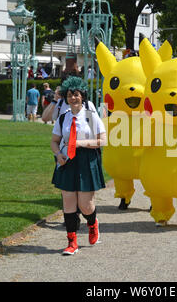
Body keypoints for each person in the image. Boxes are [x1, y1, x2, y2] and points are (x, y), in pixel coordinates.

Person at [51, 76, 106, 255]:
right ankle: (71, 242)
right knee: (68, 203)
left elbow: (103, 140)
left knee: (85, 205)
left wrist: (81, 144)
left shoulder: (91, 116)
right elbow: (54, 141)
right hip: (67, 161)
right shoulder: (63, 118)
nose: (73, 98)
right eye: (69, 95)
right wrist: (58, 154)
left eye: (76, 95)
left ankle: (92, 223)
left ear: (82, 96)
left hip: (87, 160)